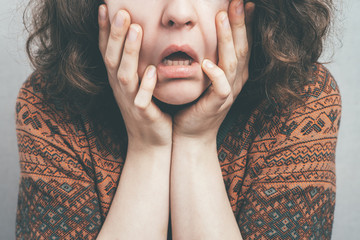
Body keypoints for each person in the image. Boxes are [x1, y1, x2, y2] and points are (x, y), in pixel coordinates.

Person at [15, 0, 341, 239]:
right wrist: (148, 150)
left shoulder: (302, 98)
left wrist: (195, 144)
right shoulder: (51, 102)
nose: (179, 14)